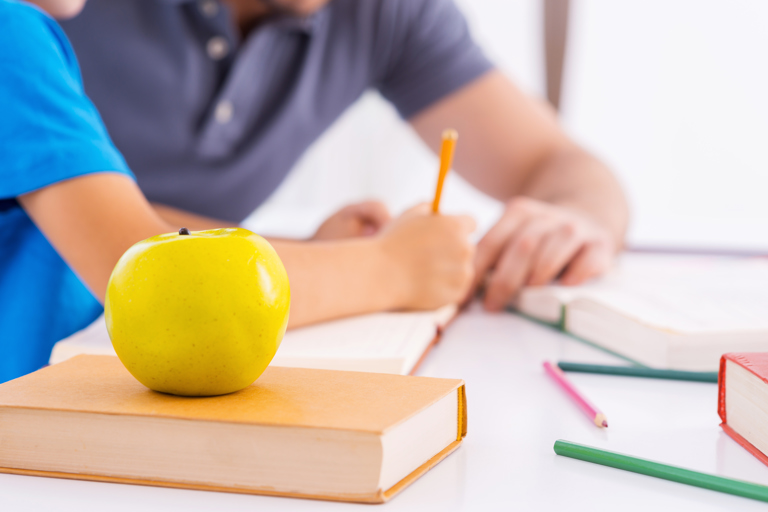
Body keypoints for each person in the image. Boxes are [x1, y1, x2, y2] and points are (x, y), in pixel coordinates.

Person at [0, 0, 476, 382]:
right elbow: (155, 279)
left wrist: (308, 252)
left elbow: (113, 215)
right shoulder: (11, 33)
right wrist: (392, 267)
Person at [62, 0, 629, 313]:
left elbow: (558, 162)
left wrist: (578, 223)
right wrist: (381, 267)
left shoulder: (383, 12)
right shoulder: (50, 11)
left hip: (187, 342)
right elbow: (87, 229)